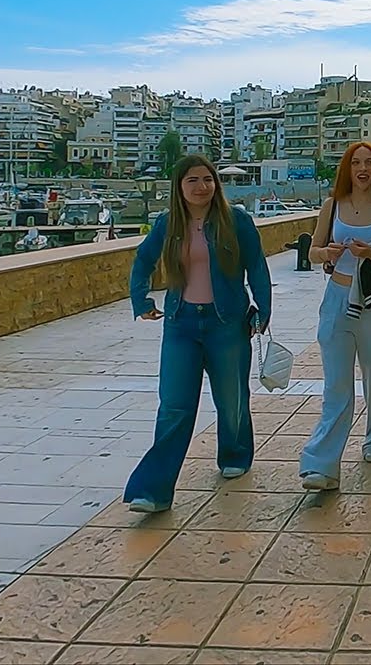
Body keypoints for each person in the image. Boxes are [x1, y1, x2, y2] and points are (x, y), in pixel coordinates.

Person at [124, 154, 272, 513]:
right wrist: (140, 299)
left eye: (207, 179)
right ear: (179, 186)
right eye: (192, 180)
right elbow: (143, 260)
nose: (201, 186)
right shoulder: (167, 223)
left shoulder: (235, 220)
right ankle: (154, 490)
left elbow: (256, 265)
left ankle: (235, 453)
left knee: (232, 399)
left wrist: (263, 309)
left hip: (228, 324)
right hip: (181, 324)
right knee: (174, 406)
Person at [300, 141, 371, 491]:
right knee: (336, 383)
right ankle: (322, 464)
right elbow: (313, 252)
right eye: (356, 163)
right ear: (347, 169)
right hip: (336, 299)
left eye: (370, 163)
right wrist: (326, 252)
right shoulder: (332, 206)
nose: (363, 169)